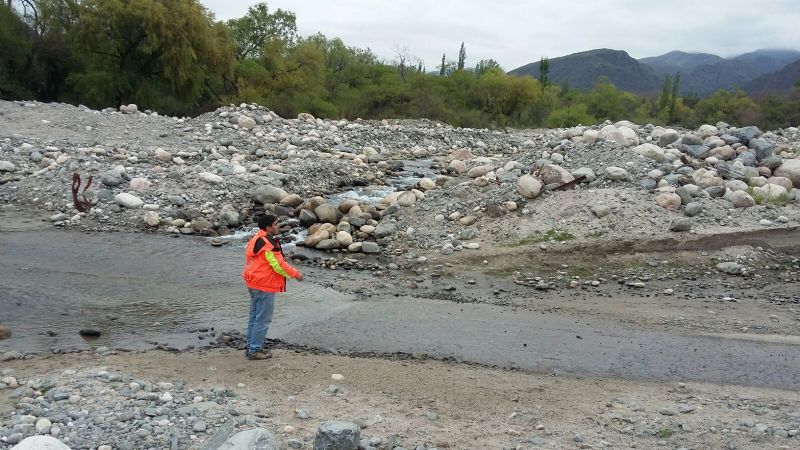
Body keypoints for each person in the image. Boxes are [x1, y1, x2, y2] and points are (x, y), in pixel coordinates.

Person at [242, 214, 303, 360]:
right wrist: (296, 275)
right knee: (262, 319)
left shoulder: (256, 238)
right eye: (276, 224)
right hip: (264, 285)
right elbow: (278, 265)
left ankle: (251, 346)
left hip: (253, 282)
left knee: (254, 317)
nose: (278, 227)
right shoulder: (269, 244)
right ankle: (255, 350)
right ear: (268, 227)